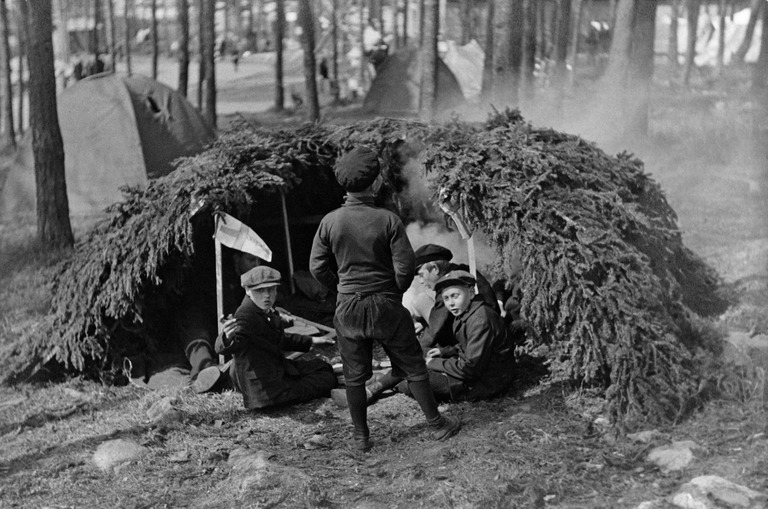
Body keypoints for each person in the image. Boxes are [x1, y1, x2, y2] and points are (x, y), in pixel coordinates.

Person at [310, 146, 461, 452]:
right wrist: (392, 292)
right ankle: (436, 425)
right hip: (386, 304)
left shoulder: (330, 222)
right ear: (375, 182)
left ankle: (361, 437)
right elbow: (405, 268)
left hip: (348, 307)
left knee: (353, 375)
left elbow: (317, 267)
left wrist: (341, 287)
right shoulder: (387, 220)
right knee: (413, 365)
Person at [339, 270, 516, 405]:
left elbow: (469, 368)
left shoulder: (480, 319)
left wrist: (432, 364)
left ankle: (373, 389)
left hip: (485, 382)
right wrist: (443, 351)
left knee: (412, 383)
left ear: (470, 292)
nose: (451, 303)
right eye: (446, 298)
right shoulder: (469, 312)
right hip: (476, 372)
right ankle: (372, 389)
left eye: (455, 296)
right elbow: (468, 348)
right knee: (414, 368)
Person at [214, 266, 337, 410]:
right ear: (247, 290)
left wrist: (312, 341)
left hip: (275, 373)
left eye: (271, 289)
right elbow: (227, 345)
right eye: (260, 290)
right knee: (327, 379)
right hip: (269, 392)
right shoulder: (245, 316)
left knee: (322, 366)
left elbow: (278, 338)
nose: (267, 295)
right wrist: (227, 338)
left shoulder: (261, 310)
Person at [413, 244, 499, 352]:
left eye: (421, 275)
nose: (421, 281)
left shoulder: (450, 284)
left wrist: (415, 350)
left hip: (476, 340)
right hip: (489, 333)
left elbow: (437, 326)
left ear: (435, 268)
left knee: (421, 300)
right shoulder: (466, 270)